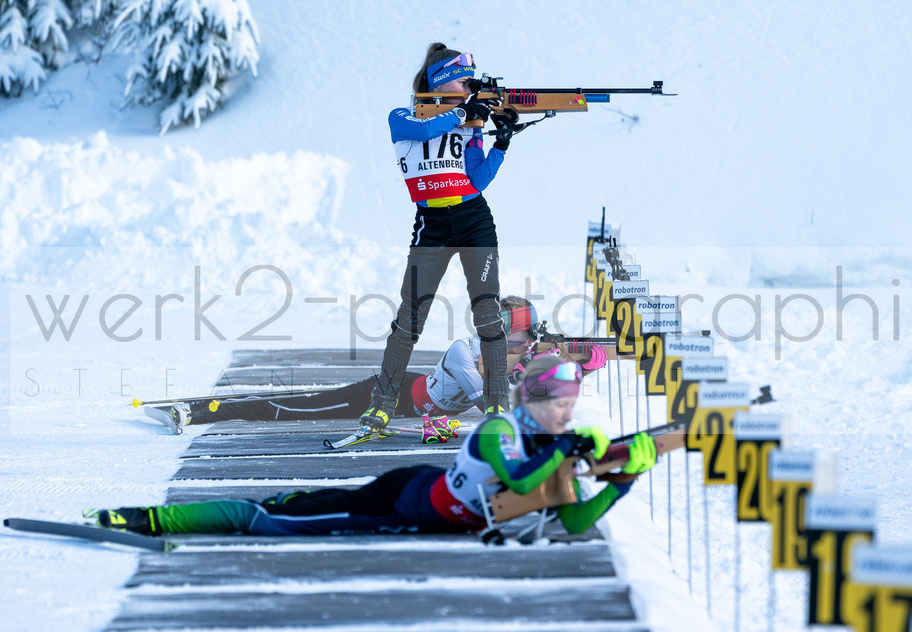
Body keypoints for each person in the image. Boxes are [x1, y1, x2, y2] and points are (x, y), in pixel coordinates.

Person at [96, 356, 656, 537]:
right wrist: (569, 451)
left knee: (295, 506)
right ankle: (151, 520)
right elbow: (519, 482)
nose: (568, 414)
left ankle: (287, 501)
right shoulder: (501, 432)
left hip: (417, 491)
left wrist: (623, 481)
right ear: (532, 400)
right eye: (560, 403)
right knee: (267, 520)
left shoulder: (548, 445)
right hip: (401, 505)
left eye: (572, 405)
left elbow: (574, 520)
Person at [146, 298, 608, 441]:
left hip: (411, 403)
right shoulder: (461, 352)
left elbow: (546, 386)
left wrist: (584, 362)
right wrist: (537, 369)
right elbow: (492, 403)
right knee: (295, 408)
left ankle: (204, 408)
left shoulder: (503, 359)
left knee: (300, 405)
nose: (525, 347)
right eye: (521, 340)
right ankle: (200, 411)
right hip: (389, 393)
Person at [359, 43, 521, 434]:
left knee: (488, 314)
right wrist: (464, 112)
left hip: (473, 220)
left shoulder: (470, 122)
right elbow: (424, 129)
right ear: (444, 79)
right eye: (465, 82)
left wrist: (501, 142)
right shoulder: (403, 116)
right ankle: (381, 406)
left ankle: (497, 405)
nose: (469, 89)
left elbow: (476, 179)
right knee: (409, 319)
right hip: (431, 226)